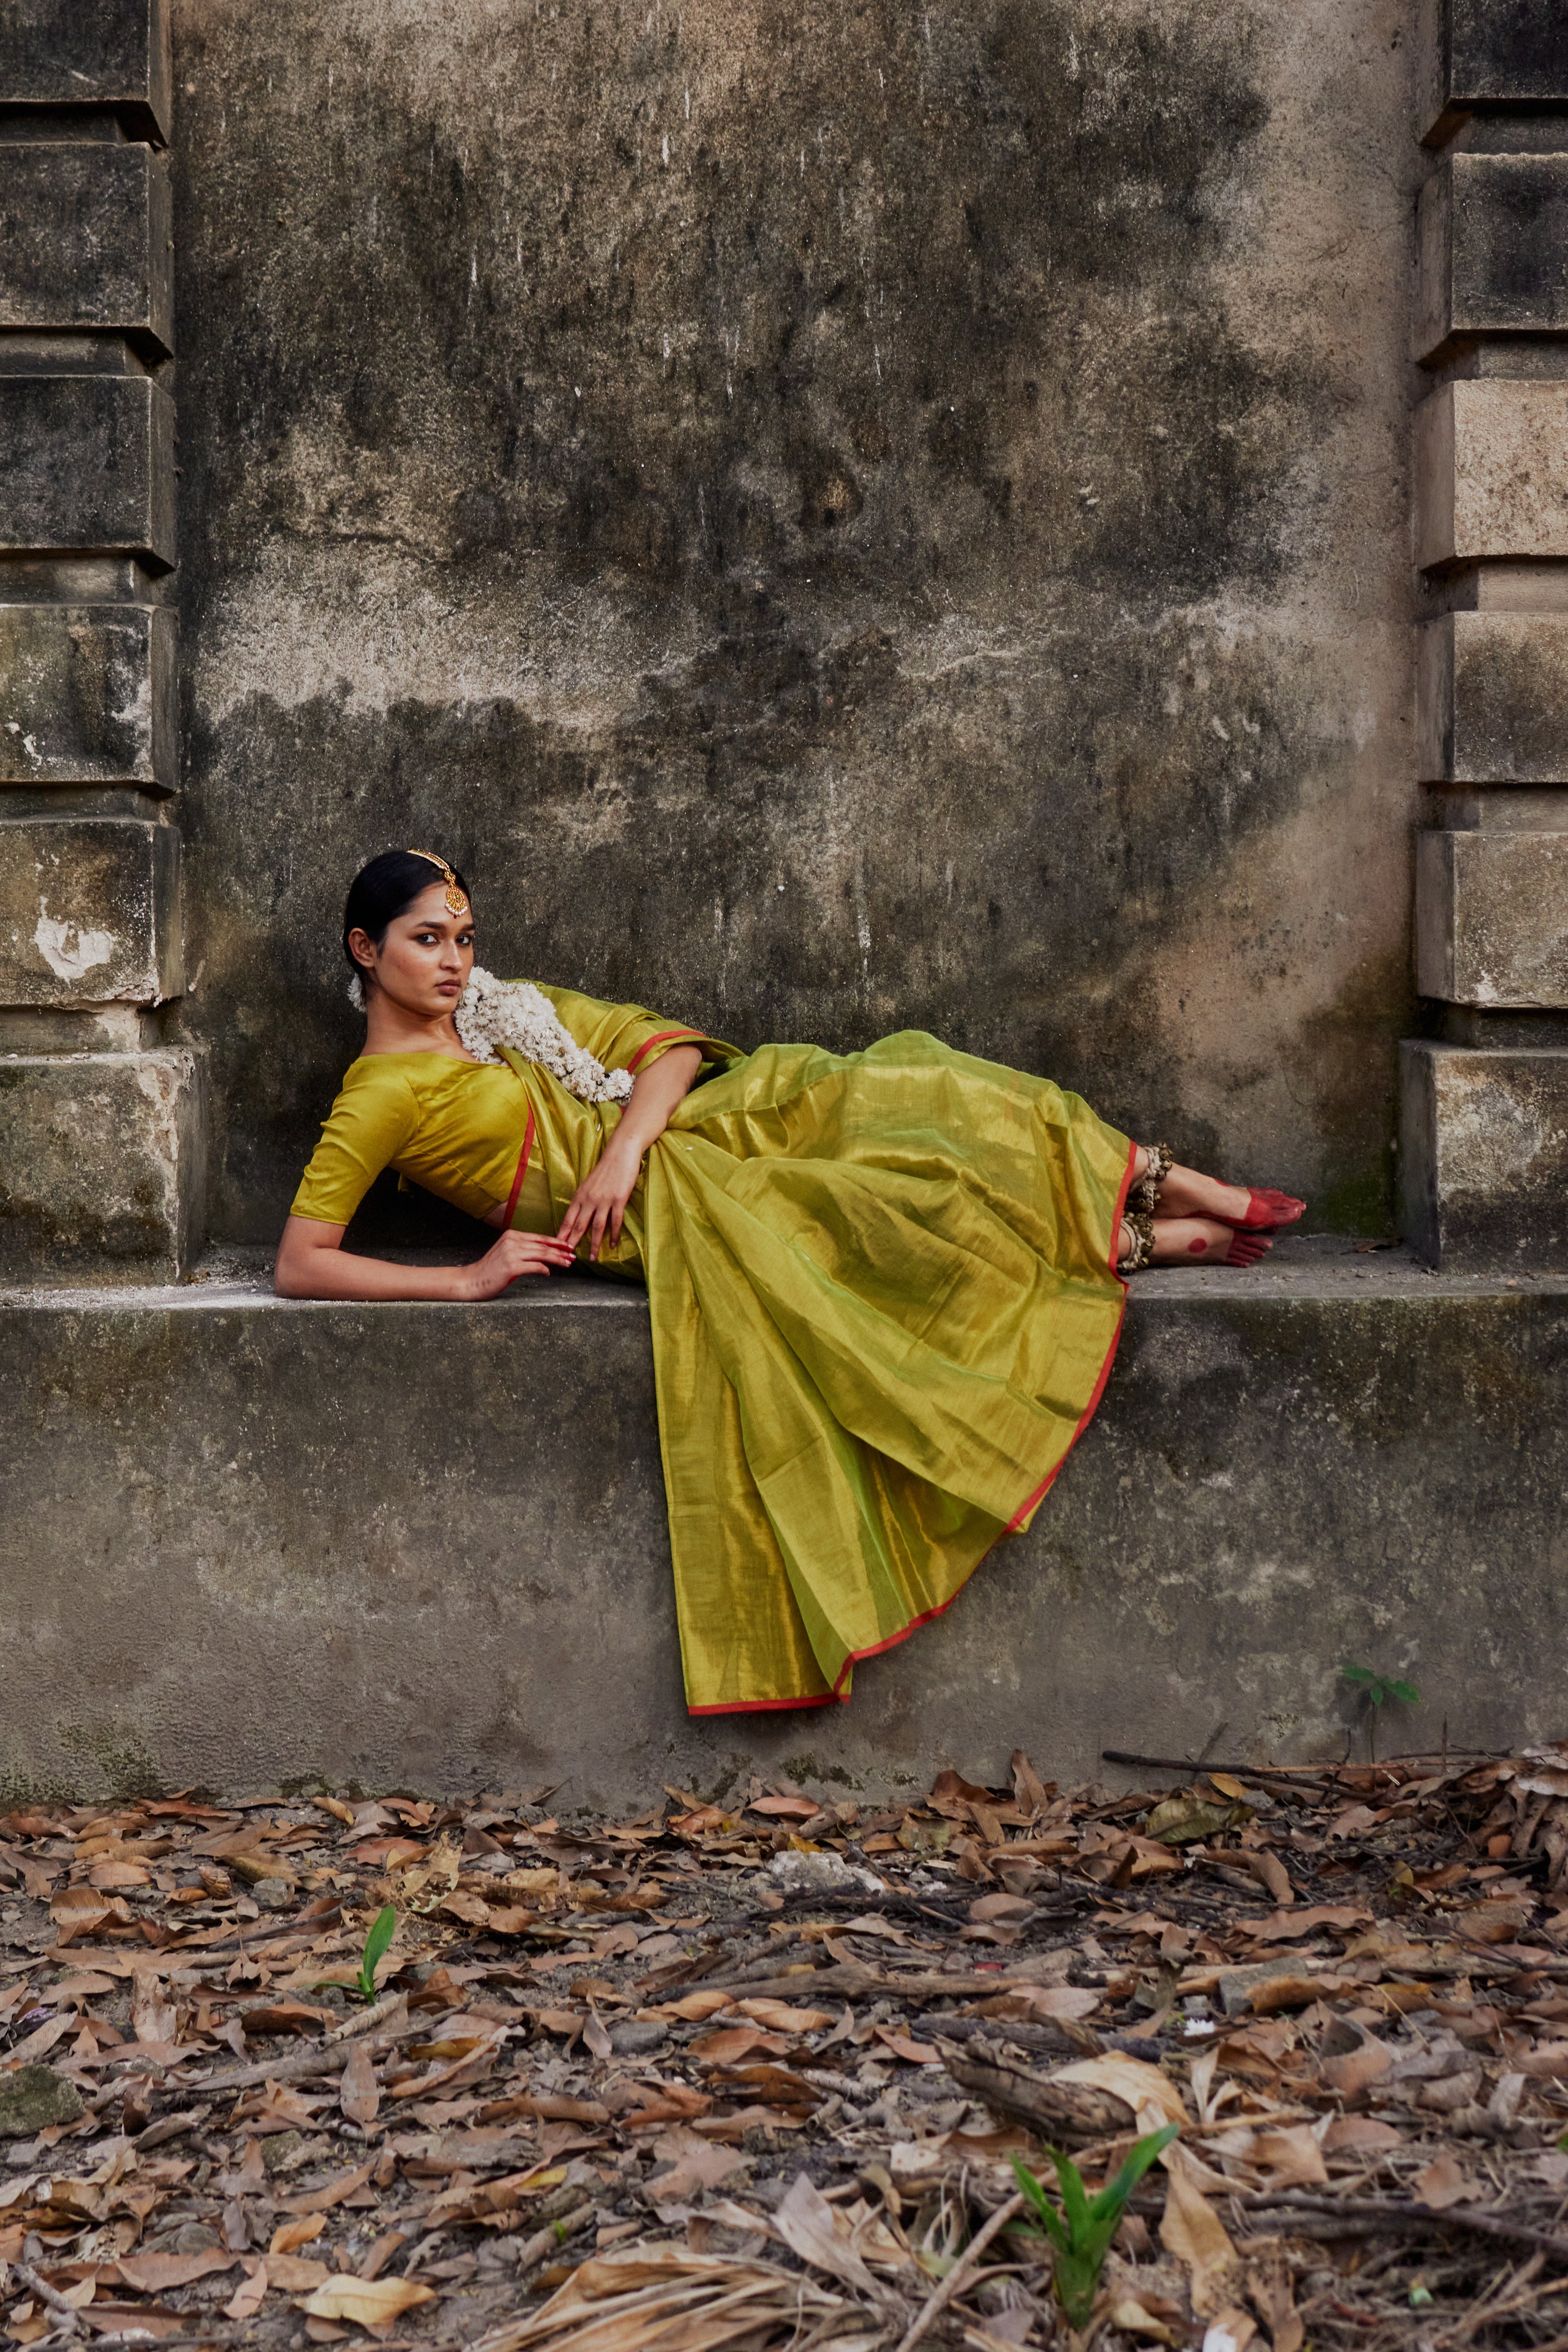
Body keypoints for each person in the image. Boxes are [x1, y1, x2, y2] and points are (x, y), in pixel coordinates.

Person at [276, 850, 1305, 1713]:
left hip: (695, 1130)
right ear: (366, 951)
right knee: (903, 1205)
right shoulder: (380, 1095)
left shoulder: (509, 1013)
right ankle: (1148, 1241)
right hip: (679, 1215)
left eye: (462, 937)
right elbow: (301, 1262)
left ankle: (1179, 1186)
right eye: (426, 940)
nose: (454, 961)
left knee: (921, 1088)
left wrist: (625, 1145)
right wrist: (470, 1277)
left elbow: (667, 1050)